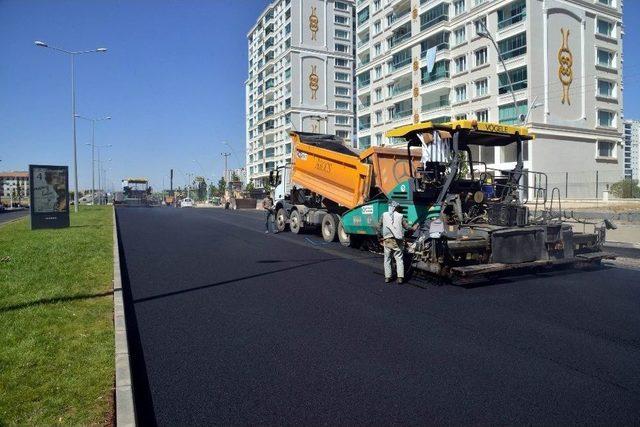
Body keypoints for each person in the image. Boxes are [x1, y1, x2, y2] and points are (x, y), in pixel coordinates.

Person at [378, 201, 417, 284]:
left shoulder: (384, 215)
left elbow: (378, 227)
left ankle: (387, 277)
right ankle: (400, 278)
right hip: (398, 241)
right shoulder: (400, 216)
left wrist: (379, 237)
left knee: (387, 259)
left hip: (387, 240)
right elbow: (407, 227)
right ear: (396, 208)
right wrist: (414, 228)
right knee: (399, 259)